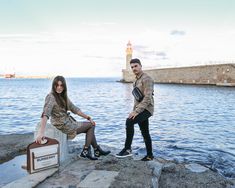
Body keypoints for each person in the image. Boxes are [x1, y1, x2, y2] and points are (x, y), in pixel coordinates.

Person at [36, 75, 110, 160]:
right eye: (57, 85)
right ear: (54, 86)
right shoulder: (51, 97)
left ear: (64, 86)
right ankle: (86, 151)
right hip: (62, 126)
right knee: (91, 126)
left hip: (67, 123)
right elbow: (45, 114)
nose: (59, 88)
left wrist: (88, 117)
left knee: (90, 125)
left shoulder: (63, 97)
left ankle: (96, 150)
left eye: (61, 85)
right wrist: (41, 133)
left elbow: (74, 109)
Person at [116, 58, 154, 161]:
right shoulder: (136, 80)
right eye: (132, 67)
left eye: (136, 66)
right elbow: (137, 99)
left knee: (129, 122)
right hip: (140, 108)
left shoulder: (147, 79)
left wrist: (136, 112)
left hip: (147, 109)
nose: (134, 68)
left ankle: (127, 149)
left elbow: (147, 98)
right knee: (145, 132)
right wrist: (134, 110)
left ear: (141, 66)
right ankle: (150, 155)